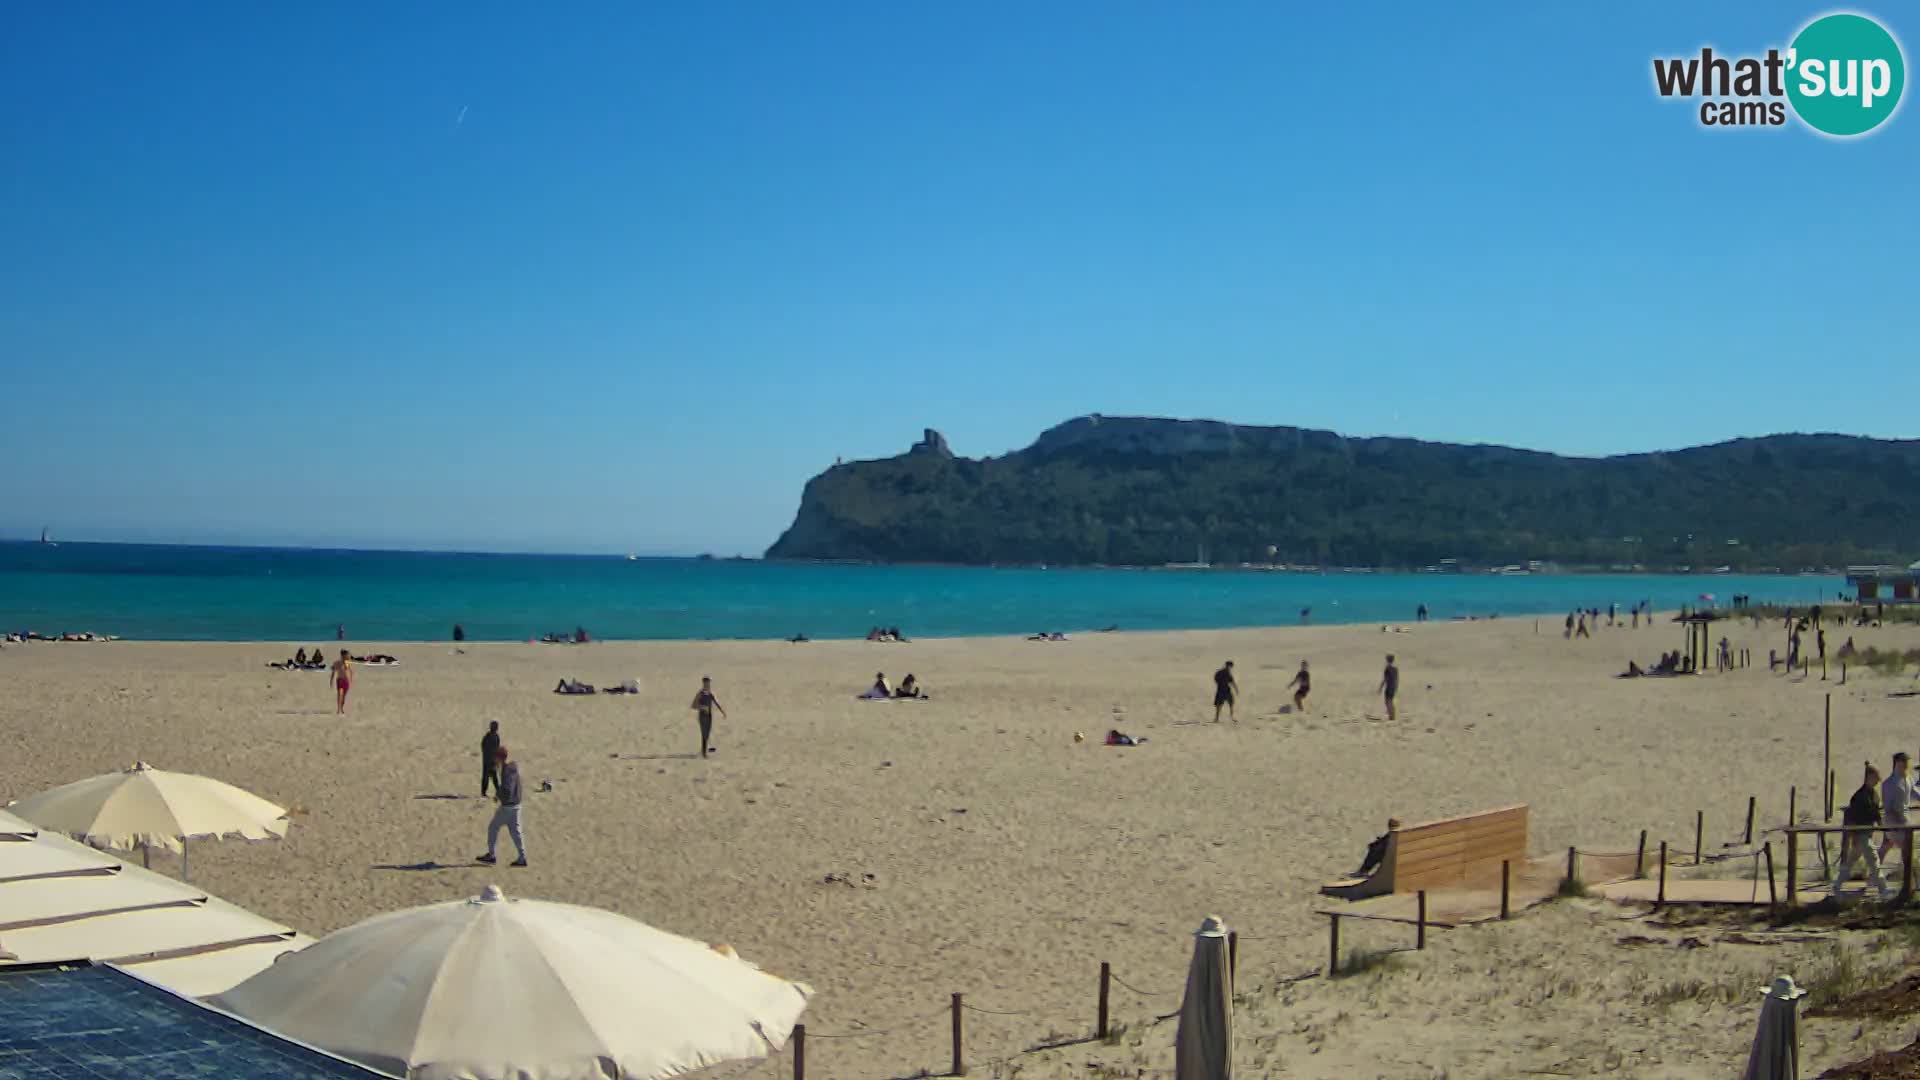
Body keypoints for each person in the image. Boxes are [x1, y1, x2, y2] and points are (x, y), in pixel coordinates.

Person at [1834, 763, 1890, 900]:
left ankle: (1836, 886)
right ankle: (1883, 889)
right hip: (1861, 834)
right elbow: (1851, 818)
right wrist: (1853, 835)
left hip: (1867, 833)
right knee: (1873, 859)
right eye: (1876, 777)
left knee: (1851, 861)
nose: (1878, 780)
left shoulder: (1874, 795)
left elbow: (1876, 813)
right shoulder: (1858, 797)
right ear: (1869, 777)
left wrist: (1883, 827)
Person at [476, 745, 527, 867]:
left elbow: (507, 789)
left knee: (493, 827)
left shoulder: (507, 771)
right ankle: (522, 857)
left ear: (499, 758)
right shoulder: (513, 768)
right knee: (516, 833)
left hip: (507, 807)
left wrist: (499, 795)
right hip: (516, 805)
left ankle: (491, 855)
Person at [1881, 753, 1914, 866]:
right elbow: (1888, 807)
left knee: (1886, 846)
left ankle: (1873, 875)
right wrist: (1895, 825)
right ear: (1897, 763)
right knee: (1905, 847)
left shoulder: (1908, 779)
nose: (1907, 765)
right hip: (1894, 821)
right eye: (1904, 762)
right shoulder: (1889, 783)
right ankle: (1908, 876)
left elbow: (1914, 792)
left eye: (1907, 762)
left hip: (1905, 819)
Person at [690, 677, 725, 758]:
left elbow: (717, 703)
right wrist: (702, 707)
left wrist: (722, 711)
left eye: (709, 682)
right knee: (704, 733)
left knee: (707, 733)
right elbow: (693, 705)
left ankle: (703, 750)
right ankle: (704, 753)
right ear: (703, 683)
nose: (708, 684)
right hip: (702, 716)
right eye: (706, 682)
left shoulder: (711, 693)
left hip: (709, 716)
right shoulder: (700, 693)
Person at [480, 721, 501, 797]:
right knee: (486, 776)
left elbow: (497, 747)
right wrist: (488, 756)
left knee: (494, 776)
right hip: (487, 760)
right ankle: (484, 792)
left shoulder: (496, 736)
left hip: (492, 759)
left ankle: (498, 791)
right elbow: (483, 746)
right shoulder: (488, 736)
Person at [330, 649, 353, 714]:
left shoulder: (347, 663)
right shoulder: (336, 663)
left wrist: (351, 679)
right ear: (342, 656)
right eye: (347, 655)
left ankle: (341, 708)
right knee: (339, 694)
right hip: (340, 680)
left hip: (346, 681)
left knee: (343, 697)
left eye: (348, 655)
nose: (348, 656)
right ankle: (338, 709)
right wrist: (331, 682)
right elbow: (333, 673)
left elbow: (350, 671)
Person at [1379, 654, 1400, 721]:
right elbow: (1397, 679)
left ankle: (1391, 717)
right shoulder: (1395, 669)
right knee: (1391, 701)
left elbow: (1385, 679)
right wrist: (1396, 687)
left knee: (1387, 702)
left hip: (1388, 687)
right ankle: (1392, 715)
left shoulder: (1387, 668)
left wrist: (1381, 687)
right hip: (1393, 687)